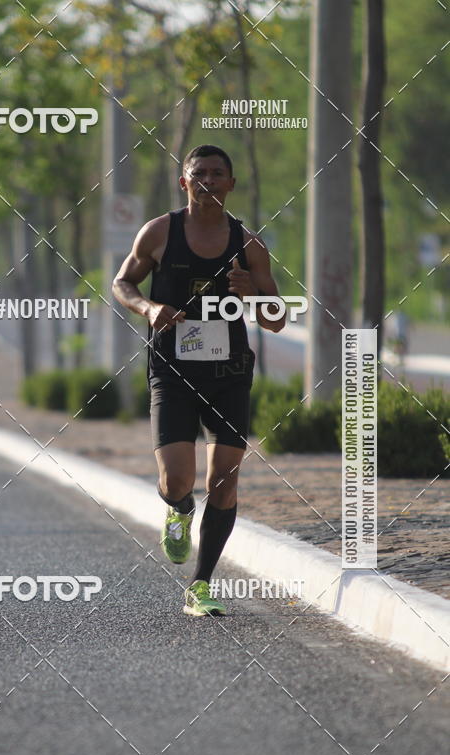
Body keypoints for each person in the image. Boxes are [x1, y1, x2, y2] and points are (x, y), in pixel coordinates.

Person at [113, 145, 285, 617]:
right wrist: (148, 308)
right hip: (171, 370)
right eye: (199, 173)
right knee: (177, 478)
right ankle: (179, 508)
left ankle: (201, 584)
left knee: (225, 481)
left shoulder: (249, 245)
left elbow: (277, 319)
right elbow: (122, 283)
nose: (209, 179)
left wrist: (254, 294)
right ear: (184, 183)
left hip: (229, 373)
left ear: (230, 184)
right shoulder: (160, 233)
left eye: (218, 173)